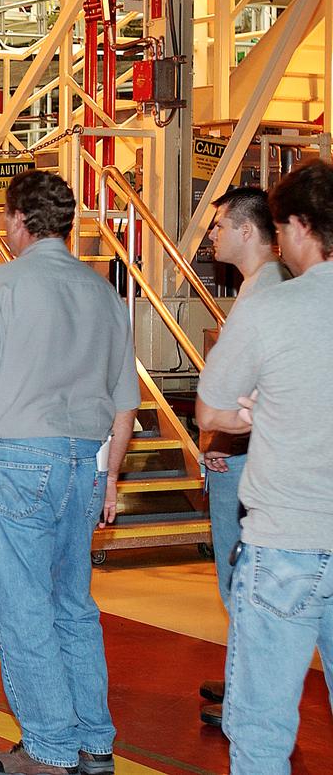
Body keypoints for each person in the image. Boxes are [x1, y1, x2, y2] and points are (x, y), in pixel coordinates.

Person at [0, 170, 138, 775]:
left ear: (17, 221)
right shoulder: (103, 291)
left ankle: (49, 749)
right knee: (73, 605)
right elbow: (126, 401)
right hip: (85, 462)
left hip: (22, 459)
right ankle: (94, 741)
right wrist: (109, 479)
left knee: (26, 610)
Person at [196, 159, 333, 775]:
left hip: (286, 541)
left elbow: (214, 408)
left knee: (261, 728)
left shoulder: (270, 308)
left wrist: (256, 412)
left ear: (300, 226)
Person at [195, 185, 287, 726]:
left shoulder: (269, 290)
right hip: (242, 452)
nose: (213, 235)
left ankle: (248, 701)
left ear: (247, 231)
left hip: (248, 459)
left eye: (219, 225)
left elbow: (252, 391)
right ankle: (241, 682)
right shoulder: (259, 286)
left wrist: (225, 437)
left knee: (244, 580)